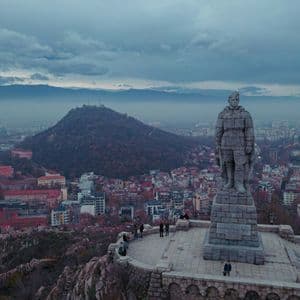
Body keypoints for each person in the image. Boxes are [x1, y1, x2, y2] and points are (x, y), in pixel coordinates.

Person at [215, 91, 255, 193]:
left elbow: (249, 130)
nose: (234, 101)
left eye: (236, 99)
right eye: (232, 99)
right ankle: (230, 181)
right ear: (229, 100)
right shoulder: (222, 114)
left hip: (240, 142)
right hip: (226, 142)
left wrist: (249, 144)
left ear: (239, 101)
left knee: (239, 164)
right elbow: (218, 130)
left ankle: (239, 183)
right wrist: (217, 144)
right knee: (228, 163)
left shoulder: (245, 114)